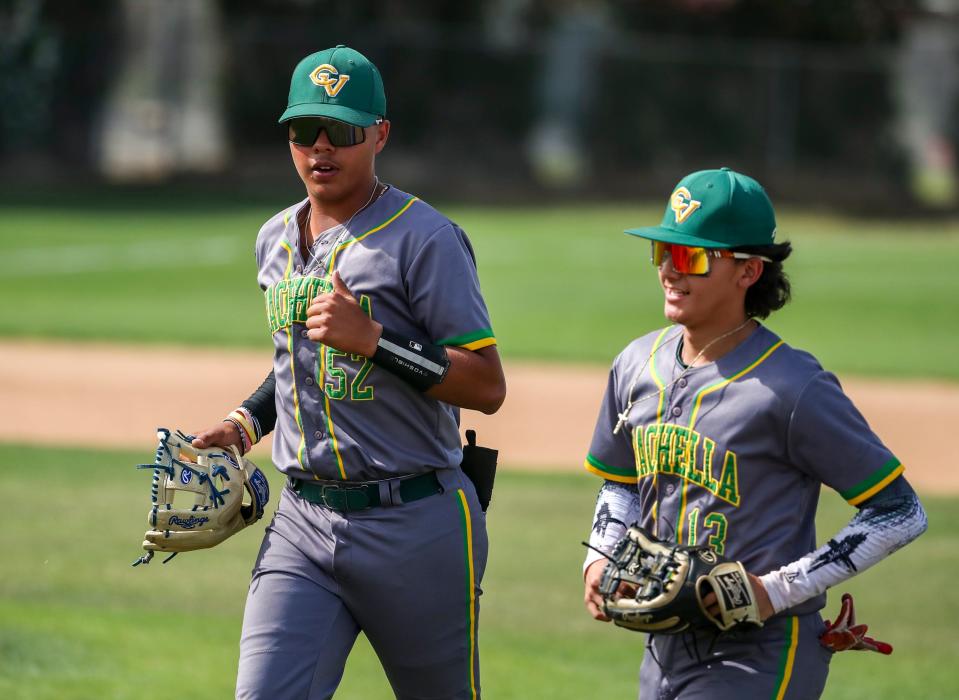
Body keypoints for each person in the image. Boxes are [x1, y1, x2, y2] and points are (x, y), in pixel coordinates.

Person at [190, 45, 506, 700]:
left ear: (380, 134)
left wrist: (375, 341)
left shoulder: (425, 238)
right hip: (302, 523)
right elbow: (298, 362)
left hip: (416, 522)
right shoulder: (274, 238)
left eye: (344, 131)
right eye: (306, 131)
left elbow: (485, 384)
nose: (321, 147)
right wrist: (244, 421)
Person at [581, 167, 927, 699]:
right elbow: (621, 482)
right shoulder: (636, 363)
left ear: (749, 272)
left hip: (761, 653)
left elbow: (900, 511)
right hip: (664, 649)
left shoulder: (792, 388)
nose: (671, 272)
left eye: (691, 257)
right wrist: (600, 555)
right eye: (662, 253)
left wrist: (774, 590)